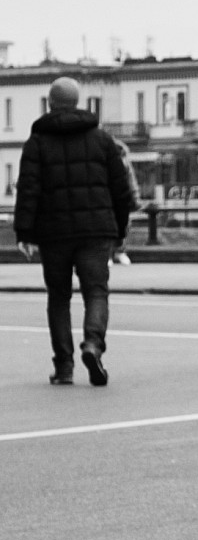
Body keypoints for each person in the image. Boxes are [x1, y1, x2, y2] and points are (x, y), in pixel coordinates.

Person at [13, 75, 139, 387]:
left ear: (50, 102)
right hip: (96, 232)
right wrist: (120, 228)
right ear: (77, 102)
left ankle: (64, 366)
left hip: (53, 234)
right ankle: (93, 344)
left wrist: (24, 233)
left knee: (58, 297)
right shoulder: (102, 140)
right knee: (96, 291)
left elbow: (27, 190)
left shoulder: (37, 142)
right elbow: (120, 189)